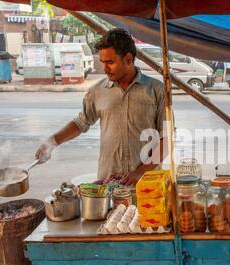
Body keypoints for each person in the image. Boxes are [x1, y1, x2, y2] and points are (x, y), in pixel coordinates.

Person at [35, 28, 171, 186]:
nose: (104, 68)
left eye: (110, 62)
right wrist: (51, 142)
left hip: (148, 184)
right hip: (108, 182)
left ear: (128, 59)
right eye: (102, 62)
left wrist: (141, 171)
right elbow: (81, 123)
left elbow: (167, 139)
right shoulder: (98, 91)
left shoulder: (156, 90)